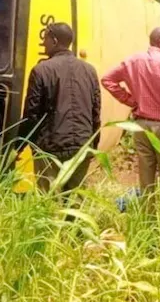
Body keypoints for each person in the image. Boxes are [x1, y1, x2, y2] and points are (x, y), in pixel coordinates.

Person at [101, 28, 160, 216]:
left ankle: (148, 223)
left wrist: (131, 101)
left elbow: (107, 79)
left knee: (146, 179)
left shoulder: (132, 61)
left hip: (140, 126)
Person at [21, 22, 102, 192]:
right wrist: (93, 144)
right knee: (74, 201)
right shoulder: (90, 71)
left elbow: (32, 114)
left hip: (50, 148)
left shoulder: (41, 70)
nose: (43, 43)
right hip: (81, 146)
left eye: (45, 39)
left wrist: (20, 144)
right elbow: (96, 112)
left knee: (47, 202)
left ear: (55, 40)